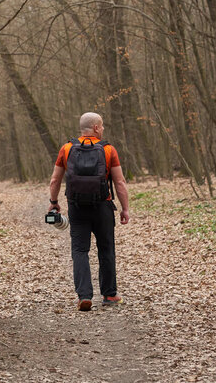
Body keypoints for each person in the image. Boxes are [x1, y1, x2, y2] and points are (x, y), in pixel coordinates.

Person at [48, 112, 130, 311]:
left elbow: (55, 180)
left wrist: (54, 202)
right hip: (103, 206)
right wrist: (125, 208)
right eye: (101, 126)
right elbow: (119, 182)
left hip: (77, 207)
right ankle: (110, 295)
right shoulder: (109, 150)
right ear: (95, 128)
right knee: (106, 249)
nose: (102, 129)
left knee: (79, 250)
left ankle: (84, 296)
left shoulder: (66, 149)